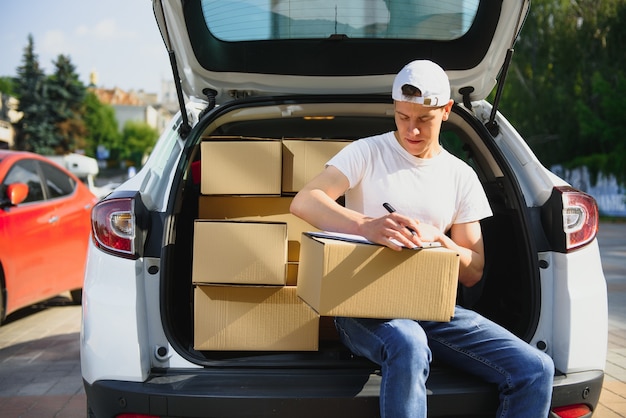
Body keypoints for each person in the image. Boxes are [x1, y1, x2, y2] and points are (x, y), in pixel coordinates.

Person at [290, 59, 554, 417]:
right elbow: (305, 201)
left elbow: (473, 270)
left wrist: (441, 242)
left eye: (424, 120)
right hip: (362, 309)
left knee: (536, 369)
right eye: (403, 117)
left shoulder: (460, 176)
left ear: (445, 111)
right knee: (409, 342)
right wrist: (366, 225)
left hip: (433, 308)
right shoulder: (367, 152)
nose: (411, 131)